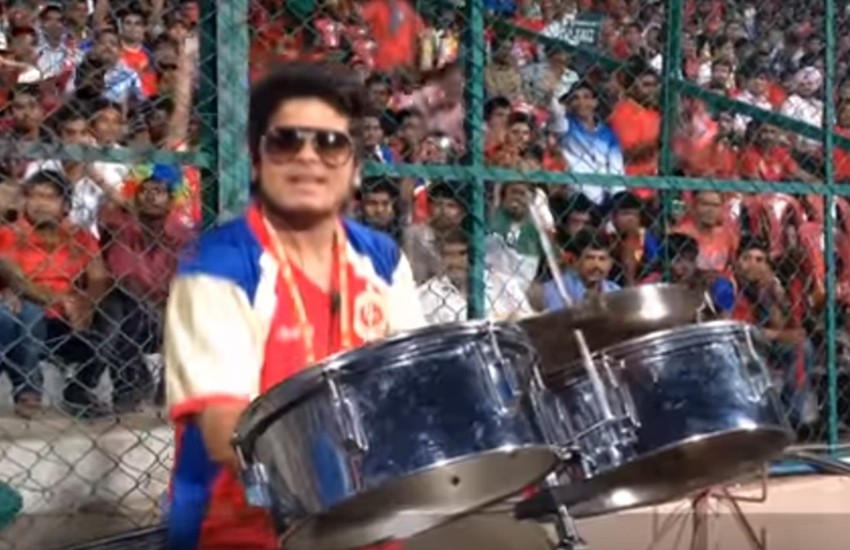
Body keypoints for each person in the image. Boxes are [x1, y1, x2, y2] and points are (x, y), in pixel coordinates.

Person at [164, 62, 425, 549]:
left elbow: (409, 388)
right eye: (286, 141)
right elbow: (226, 434)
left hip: (369, 518)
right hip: (243, 526)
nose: (308, 157)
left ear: (355, 168)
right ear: (257, 161)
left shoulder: (382, 258)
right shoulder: (217, 265)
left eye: (331, 143)